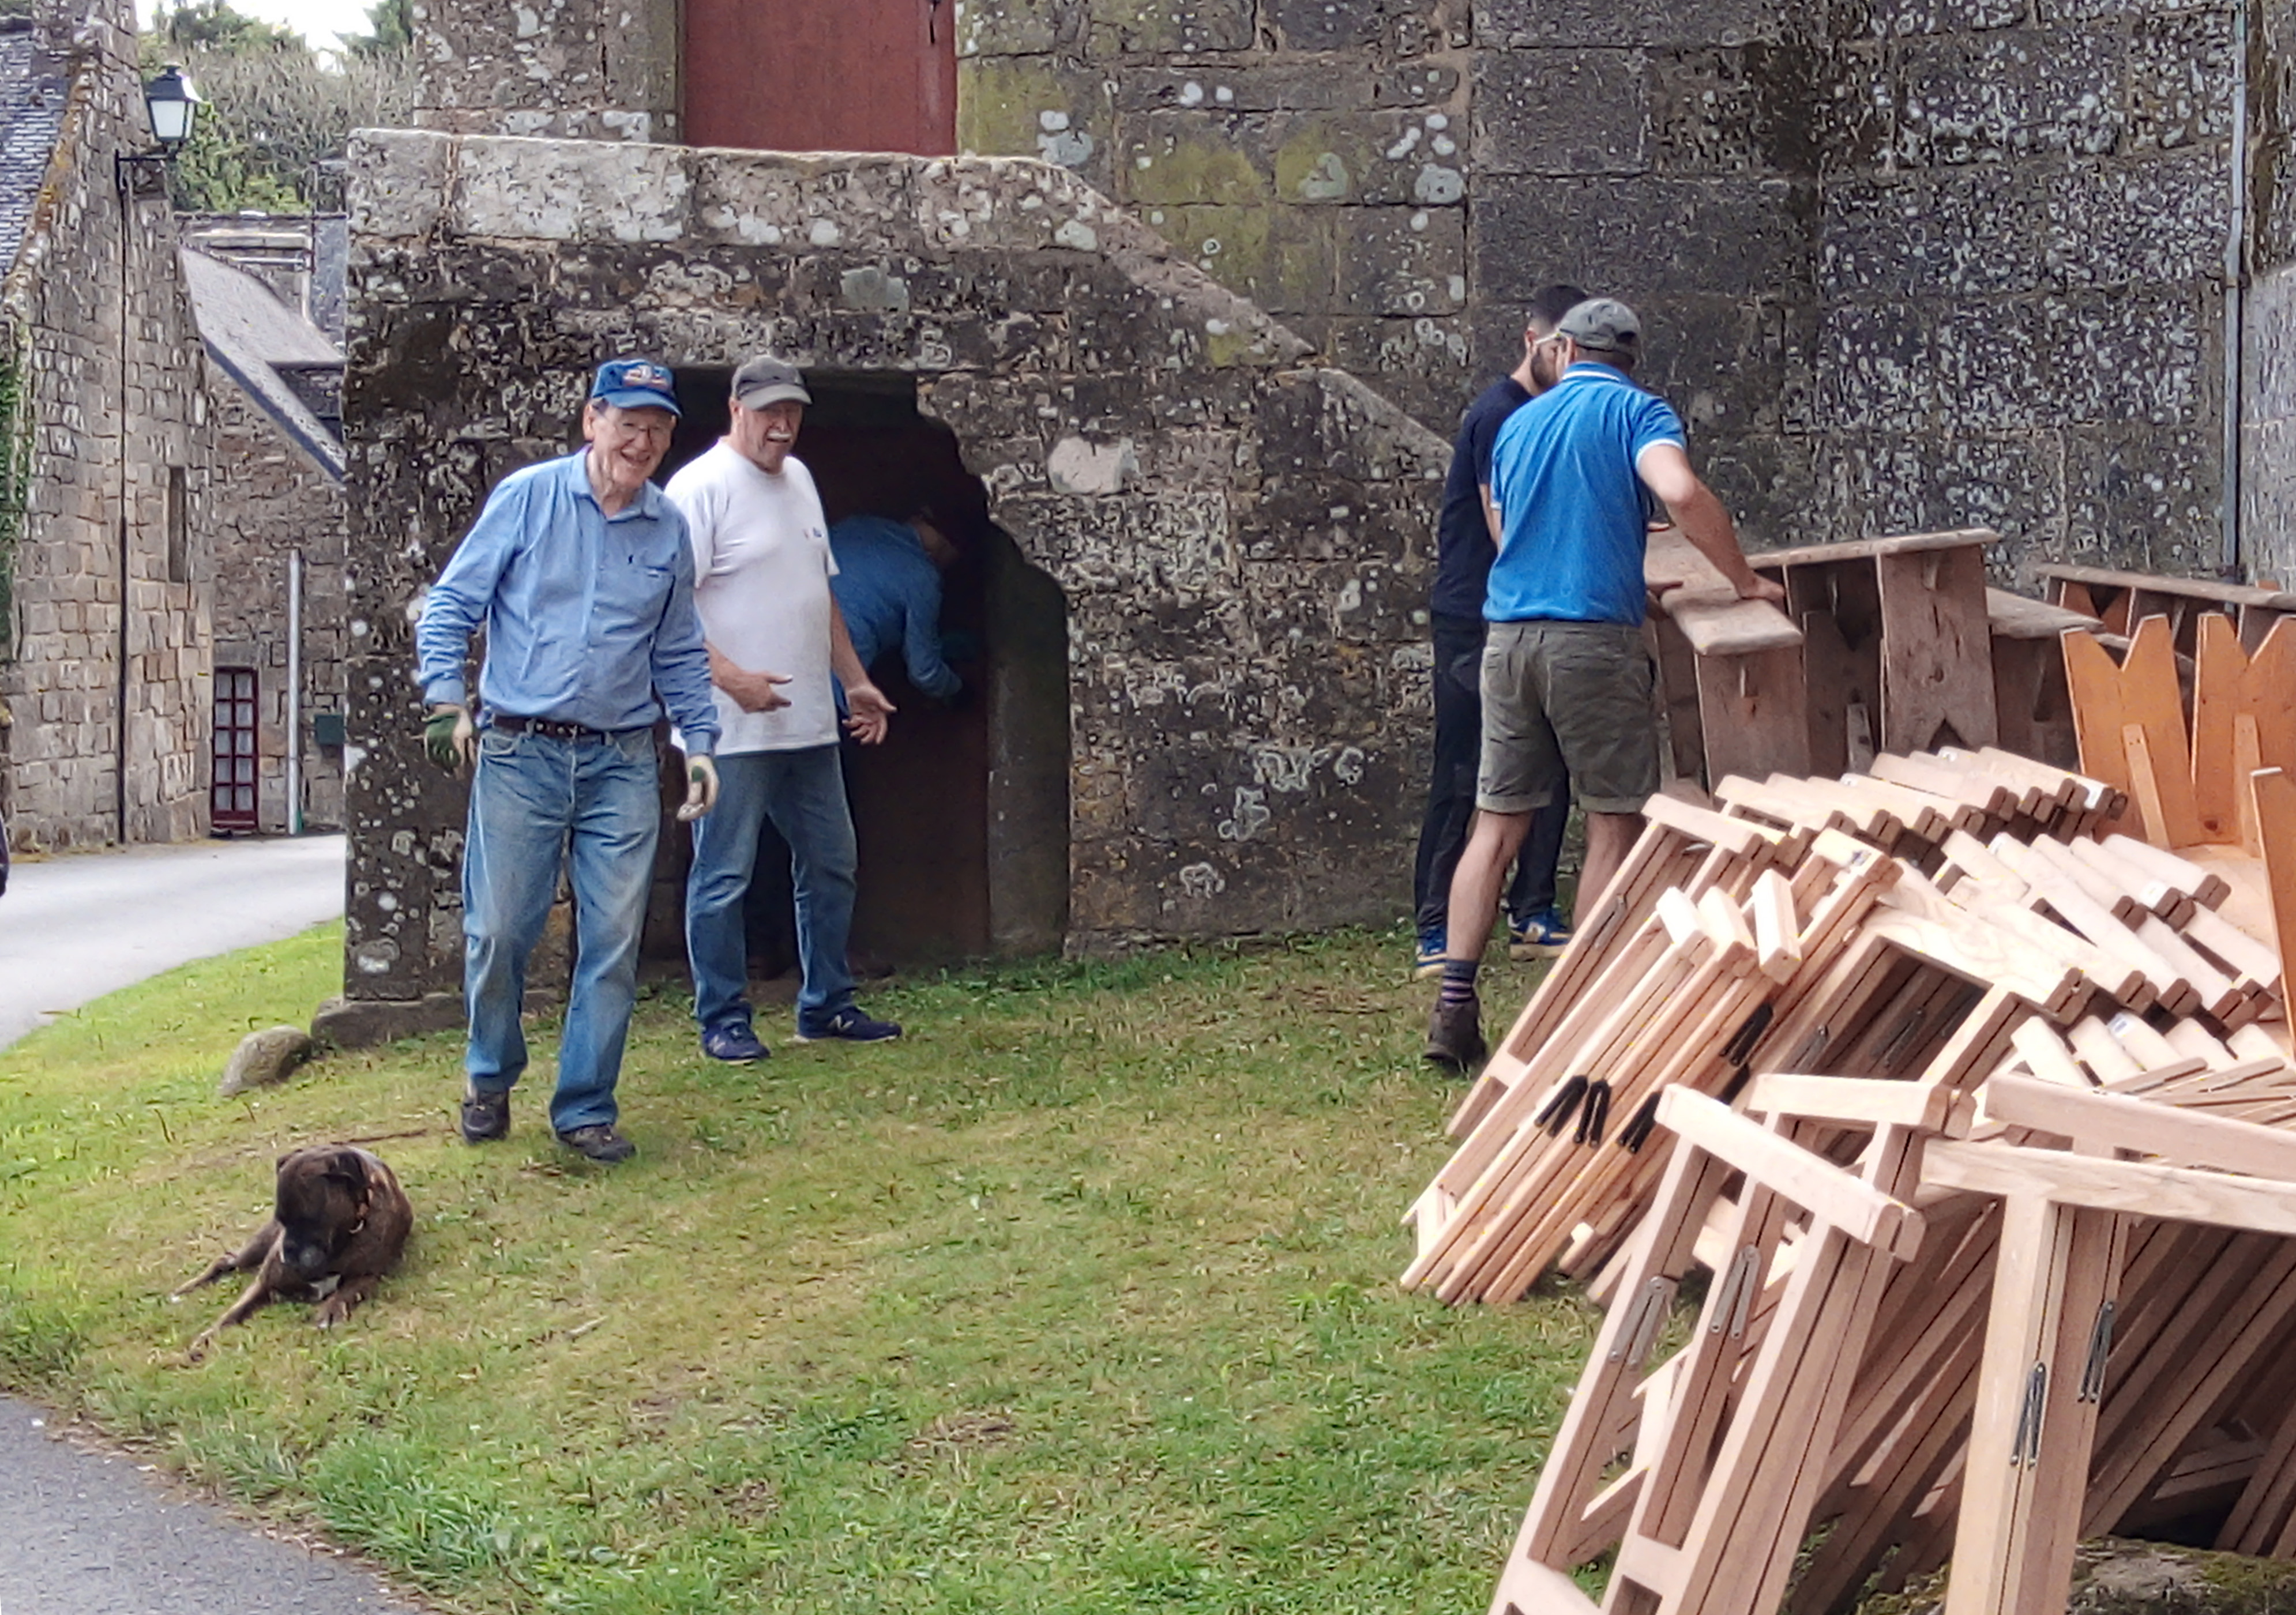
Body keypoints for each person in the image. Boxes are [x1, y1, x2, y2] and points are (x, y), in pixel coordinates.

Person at [1425, 299, 1784, 1070]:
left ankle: (1454, 1000)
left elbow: (1509, 524)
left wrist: (1613, 570)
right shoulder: (1637, 412)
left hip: (1509, 637)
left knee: (1495, 827)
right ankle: (1576, 1016)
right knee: (1613, 822)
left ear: (1563, 350)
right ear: (1629, 359)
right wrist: (1744, 579)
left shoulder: (1519, 422)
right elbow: (1680, 493)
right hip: (1591, 644)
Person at [416, 357, 720, 1165]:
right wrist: (447, 700)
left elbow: (681, 650)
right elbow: (452, 603)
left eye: (657, 427)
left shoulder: (668, 529)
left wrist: (700, 745)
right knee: (499, 933)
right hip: (522, 751)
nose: (643, 439)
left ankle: (585, 1106)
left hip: (623, 758)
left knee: (614, 940)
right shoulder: (528, 499)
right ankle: (489, 1075)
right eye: (628, 421)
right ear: (593, 420)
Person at [668, 355, 903, 1063]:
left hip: (808, 723)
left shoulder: (799, 481)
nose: (783, 424)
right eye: (769, 411)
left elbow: (818, 591)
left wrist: (854, 680)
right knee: (724, 875)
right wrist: (733, 678)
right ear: (735, 410)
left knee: (833, 862)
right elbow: (667, 610)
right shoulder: (698, 489)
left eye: (793, 411)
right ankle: (722, 1017)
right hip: (729, 729)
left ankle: (825, 1003)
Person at [1411, 283, 1588, 980]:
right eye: (1559, 351)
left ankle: (1533, 911)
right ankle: (1435, 926)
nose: (1569, 365)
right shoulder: (1499, 417)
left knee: (1549, 763)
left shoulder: (1547, 418)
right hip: (1477, 616)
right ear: (1533, 342)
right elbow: (1503, 525)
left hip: (1525, 614)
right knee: (1465, 773)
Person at [827, 509, 965, 704]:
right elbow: (924, 672)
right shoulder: (923, 577)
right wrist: (959, 690)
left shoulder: (856, 523)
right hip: (835, 677)